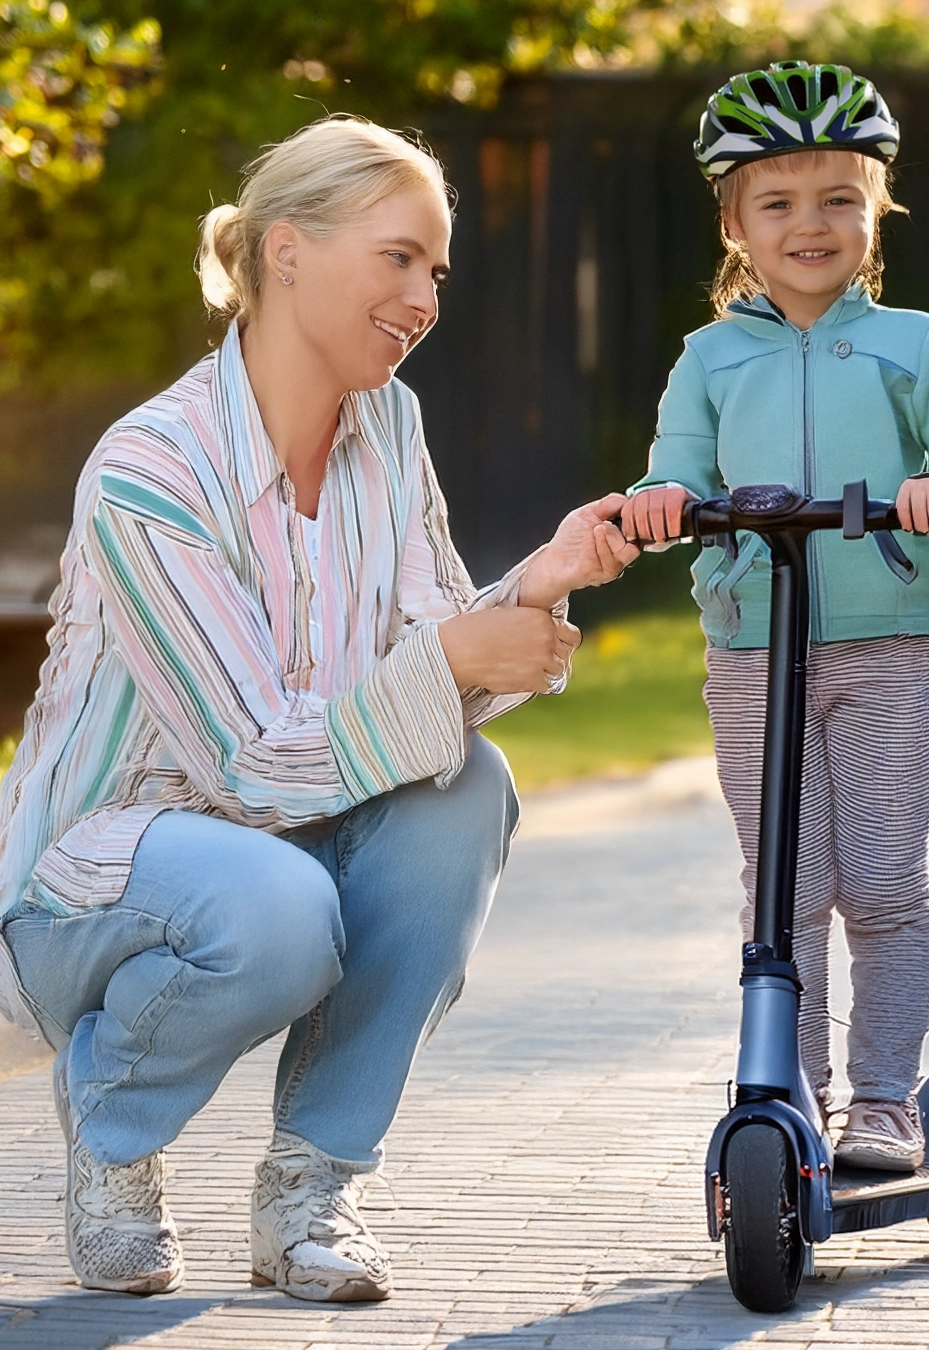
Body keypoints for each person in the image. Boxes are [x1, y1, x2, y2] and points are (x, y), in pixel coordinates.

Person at [0, 115, 640, 1302]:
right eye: (398, 258)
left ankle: (311, 1187)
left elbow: (425, 666)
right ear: (286, 252)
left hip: (273, 848)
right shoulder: (153, 472)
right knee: (281, 902)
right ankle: (113, 1128)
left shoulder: (387, 430)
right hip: (83, 891)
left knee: (464, 797)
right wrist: (454, 655)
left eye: (436, 270)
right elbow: (249, 765)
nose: (426, 298)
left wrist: (532, 587)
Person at [621, 62, 929, 1172]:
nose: (813, 223)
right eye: (780, 201)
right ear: (734, 221)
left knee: (885, 877)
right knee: (783, 891)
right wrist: (663, 501)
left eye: (839, 198)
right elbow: (676, 470)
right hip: (754, 649)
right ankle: (788, 1091)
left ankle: (887, 1099)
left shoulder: (918, 346)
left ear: (876, 210)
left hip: (887, 645)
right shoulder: (708, 359)